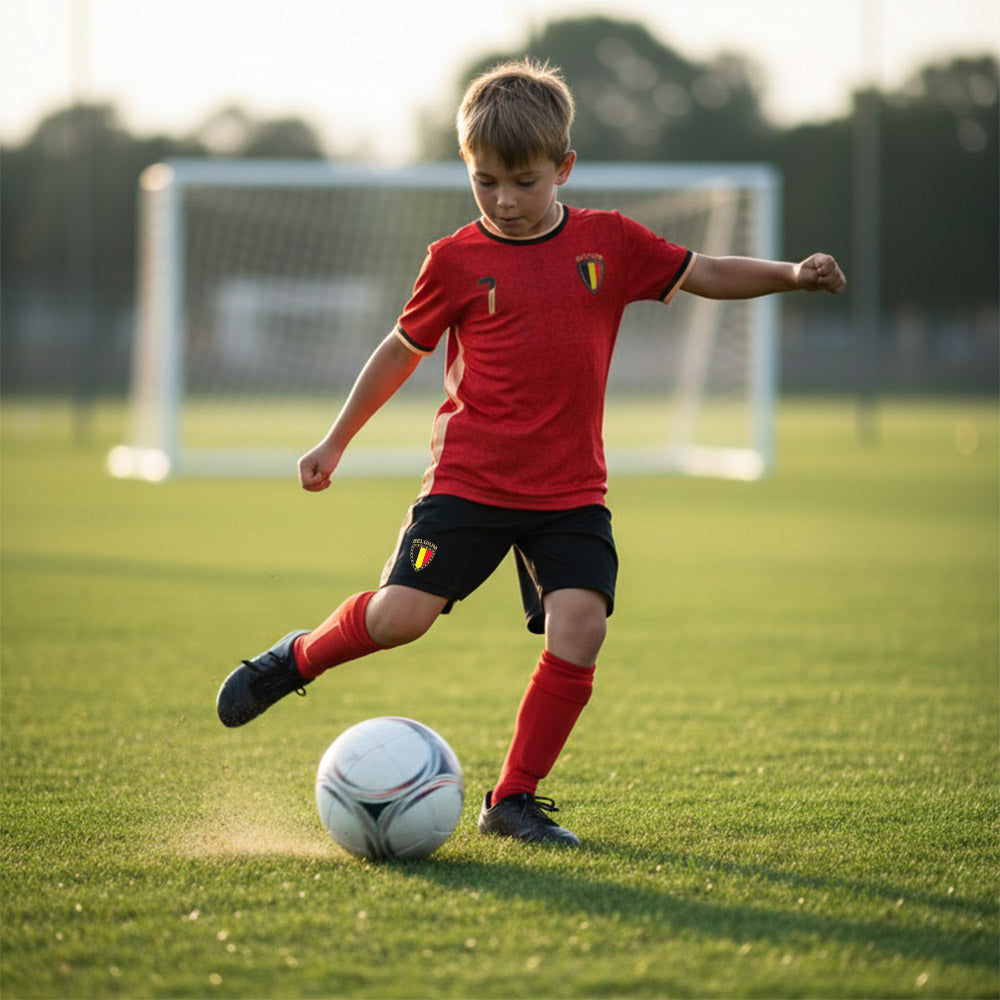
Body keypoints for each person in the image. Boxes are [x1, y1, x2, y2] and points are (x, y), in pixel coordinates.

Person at [216, 58, 846, 847]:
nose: (506, 201)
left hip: (571, 491)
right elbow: (399, 351)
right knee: (402, 618)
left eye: (523, 181)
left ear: (563, 169)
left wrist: (791, 273)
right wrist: (335, 439)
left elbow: (707, 271)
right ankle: (296, 659)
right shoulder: (451, 260)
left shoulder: (609, 242)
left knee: (581, 626)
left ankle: (511, 801)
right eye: (486, 182)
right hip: (469, 481)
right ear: (466, 170)